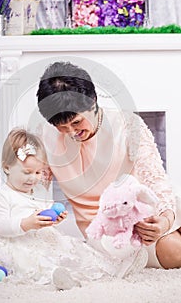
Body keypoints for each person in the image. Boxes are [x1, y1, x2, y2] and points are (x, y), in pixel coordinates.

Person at [37, 61, 181, 270]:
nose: (71, 132)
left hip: (148, 211)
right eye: (61, 127)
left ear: (93, 101)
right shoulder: (44, 136)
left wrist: (165, 221)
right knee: (173, 250)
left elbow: (156, 181)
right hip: (113, 232)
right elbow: (31, 186)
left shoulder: (128, 125)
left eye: (76, 122)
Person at [0, 128, 126, 289]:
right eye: (27, 172)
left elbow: (46, 214)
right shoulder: (2, 196)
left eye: (38, 172)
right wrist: (26, 223)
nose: (33, 178)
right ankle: (55, 277)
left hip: (42, 239)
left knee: (72, 249)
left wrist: (56, 219)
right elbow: (1, 226)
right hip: (17, 242)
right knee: (31, 261)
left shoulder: (38, 192)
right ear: (7, 168)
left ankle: (111, 266)